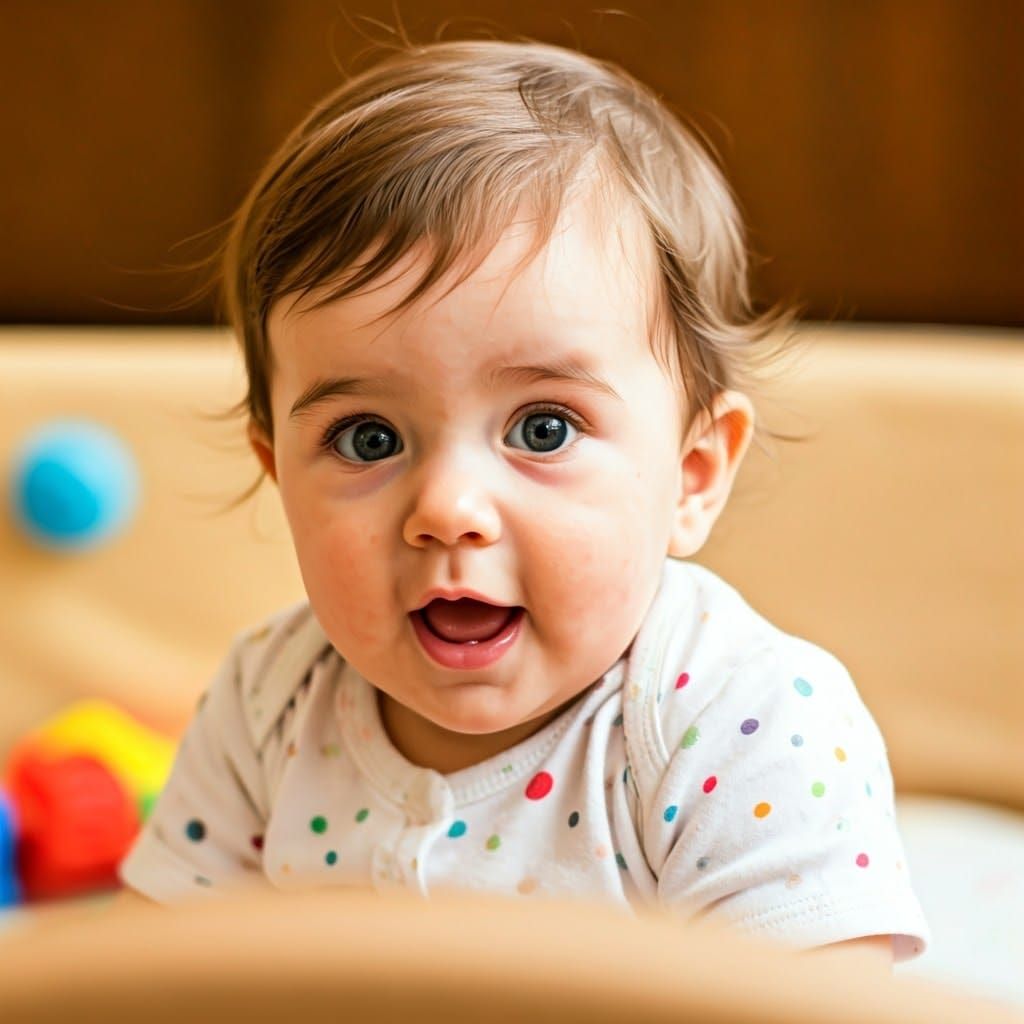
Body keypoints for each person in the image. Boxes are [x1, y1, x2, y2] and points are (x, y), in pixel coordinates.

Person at [119, 38, 928, 965]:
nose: (448, 508)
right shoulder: (271, 701)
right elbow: (156, 976)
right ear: (278, 475)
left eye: (543, 429)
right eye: (368, 439)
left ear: (693, 474)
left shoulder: (741, 722)